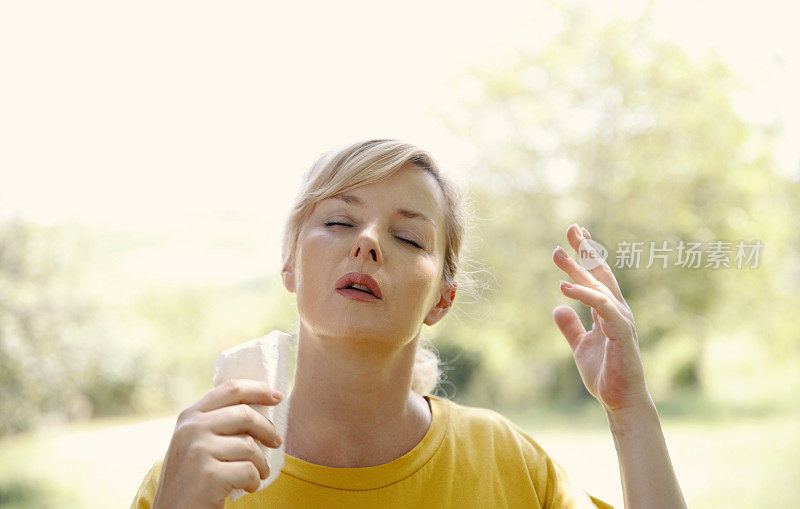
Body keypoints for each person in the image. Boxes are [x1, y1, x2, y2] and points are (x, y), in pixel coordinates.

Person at [131, 139, 686, 508]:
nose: (368, 242)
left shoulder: (507, 463)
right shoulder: (196, 474)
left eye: (408, 237)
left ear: (442, 299)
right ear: (289, 262)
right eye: (340, 220)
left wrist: (630, 410)